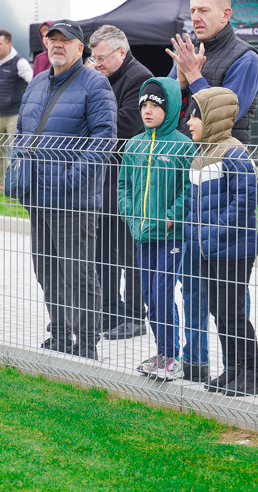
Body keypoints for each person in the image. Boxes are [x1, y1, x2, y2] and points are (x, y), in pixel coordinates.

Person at [165, 0, 258, 382]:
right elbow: (168, 114)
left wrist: (195, 77)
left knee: (228, 295)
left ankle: (244, 370)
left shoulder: (247, 59)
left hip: (224, 181)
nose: (195, 18)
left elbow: (226, 115)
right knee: (192, 285)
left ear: (226, 14)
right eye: (192, 11)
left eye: (204, 10)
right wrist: (179, 83)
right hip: (195, 181)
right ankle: (196, 363)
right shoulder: (191, 56)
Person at [6, 19, 116, 360]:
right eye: (52, 40)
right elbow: (22, 131)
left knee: (78, 272)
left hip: (74, 200)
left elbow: (105, 139)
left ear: (79, 48)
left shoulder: (94, 84)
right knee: (47, 268)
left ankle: (85, 343)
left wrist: (70, 179)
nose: (56, 45)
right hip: (38, 196)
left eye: (64, 41)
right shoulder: (38, 82)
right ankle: (60, 333)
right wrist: (18, 170)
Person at [184, 86, 258, 396]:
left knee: (232, 311)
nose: (189, 121)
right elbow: (194, 204)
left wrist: (213, 232)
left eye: (195, 115)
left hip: (232, 249)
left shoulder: (234, 153)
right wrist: (194, 231)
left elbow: (246, 201)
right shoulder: (201, 154)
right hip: (208, 248)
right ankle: (233, 369)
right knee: (219, 310)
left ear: (213, 118)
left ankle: (251, 373)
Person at [119, 78, 196, 380]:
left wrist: (171, 217)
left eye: (155, 106)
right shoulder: (135, 145)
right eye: (144, 106)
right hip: (142, 235)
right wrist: (130, 213)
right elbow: (124, 184)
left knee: (163, 292)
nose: (148, 112)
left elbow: (188, 190)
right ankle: (161, 352)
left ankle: (172, 355)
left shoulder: (183, 146)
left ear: (171, 108)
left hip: (169, 236)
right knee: (150, 296)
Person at [89, 24, 152, 340]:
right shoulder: (104, 80)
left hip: (129, 180)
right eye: (94, 58)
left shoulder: (139, 78)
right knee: (104, 250)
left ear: (121, 52)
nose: (97, 64)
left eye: (101, 58)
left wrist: (92, 123)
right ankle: (110, 310)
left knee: (129, 251)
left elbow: (126, 125)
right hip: (106, 178)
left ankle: (134, 315)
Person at [0, 29, 32, 194]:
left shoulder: (19, 62)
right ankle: (1, 186)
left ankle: (17, 185)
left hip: (14, 115)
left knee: (15, 150)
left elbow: (32, 81)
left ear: (9, 44)